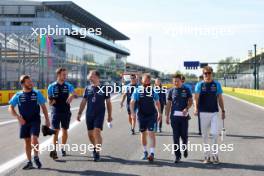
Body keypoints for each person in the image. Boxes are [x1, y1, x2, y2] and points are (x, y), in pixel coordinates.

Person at [9, 75, 50, 169]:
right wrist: (18, 117)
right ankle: (29, 162)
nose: (31, 83)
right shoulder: (18, 95)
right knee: (27, 142)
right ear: (23, 84)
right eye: (28, 82)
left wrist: (47, 119)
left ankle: (36, 156)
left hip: (35, 120)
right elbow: (10, 107)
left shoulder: (37, 93)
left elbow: (43, 107)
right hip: (24, 122)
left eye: (31, 81)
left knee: (34, 139)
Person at [77, 70, 113, 161]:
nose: (89, 77)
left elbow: (108, 103)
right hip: (89, 114)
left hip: (99, 114)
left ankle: (97, 152)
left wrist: (109, 115)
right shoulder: (87, 88)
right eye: (89, 76)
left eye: (91, 76)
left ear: (97, 77)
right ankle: (94, 146)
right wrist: (79, 113)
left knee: (96, 132)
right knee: (90, 134)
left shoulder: (104, 88)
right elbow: (83, 101)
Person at [194, 66, 226, 164]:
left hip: (214, 113)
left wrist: (223, 110)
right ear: (203, 74)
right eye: (205, 73)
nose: (207, 75)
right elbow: (196, 98)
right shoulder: (199, 85)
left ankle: (215, 155)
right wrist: (196, 108)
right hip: (203, 113)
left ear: (212, 74)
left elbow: (220, 98)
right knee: (205, 136)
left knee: (215, 134)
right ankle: (206, 156)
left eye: (209, 73)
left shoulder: (217, 84)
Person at [130, 74, 162, 162]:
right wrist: (132, 112)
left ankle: (152, 153)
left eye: (148, 81)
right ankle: (145, 152)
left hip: (152, 115)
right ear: (142, 81)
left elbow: (157, 102)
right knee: (143, 133)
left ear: (150, 81)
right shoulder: (137, 90)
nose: (146, 82)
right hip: (141, 115)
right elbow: (132, 102)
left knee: (151, 133)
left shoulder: (153, 91)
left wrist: (160, 113)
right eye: (145, 81)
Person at [47, 67, 76, 159]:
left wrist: (71, 95)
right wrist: (50, 101)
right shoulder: (51, 86)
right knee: (55, 131)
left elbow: (74, 93)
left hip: (66, 111)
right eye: (64, 74)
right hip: (55, 111)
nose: (65, 76)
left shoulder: (68, 85)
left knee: (65, 131)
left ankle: (63, 147)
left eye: (66, 74)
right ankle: (54, 151)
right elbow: (48, 99)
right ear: (58, 75)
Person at [165, 74, 193, 163]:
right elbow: (169, 104)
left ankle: (185, 148)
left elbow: (190, 101)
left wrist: (187, 108)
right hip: (174, 118)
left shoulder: (186, 90)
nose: (176, 83)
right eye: (174, 81)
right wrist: (167, 116)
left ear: (181, 81)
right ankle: (177, 156)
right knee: (175, 137)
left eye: (177, 81)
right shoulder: (171, 91)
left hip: (184, 117)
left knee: (184, 136)